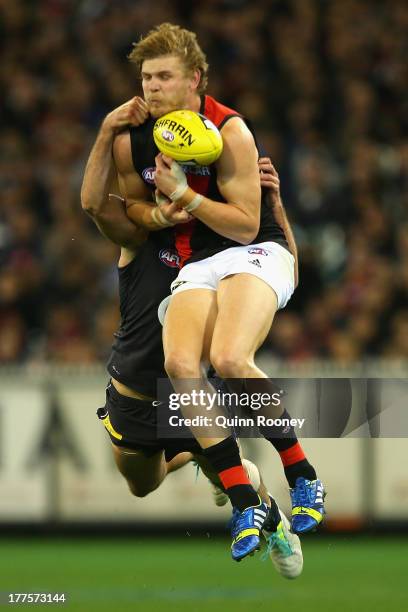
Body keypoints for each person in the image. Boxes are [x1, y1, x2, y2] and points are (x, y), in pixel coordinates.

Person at [112, 22, 325, 561]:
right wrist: (157, 206)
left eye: (164, 76)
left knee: (229, 357)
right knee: (182, 365)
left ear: (195, 80)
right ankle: (244, 498)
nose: (151, 87)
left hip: (250, 251)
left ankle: (302, 474)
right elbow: (115, 210)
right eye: (145, 77)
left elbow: (247, 226)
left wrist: (182, 193)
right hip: (198, 262)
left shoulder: (229, 130)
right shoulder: (140, 135)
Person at [80, 104, 303, 576]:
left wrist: (274, 209)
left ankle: (269, 514)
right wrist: (106, 132)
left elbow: (285, 267)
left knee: (219, 441)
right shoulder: (140, 238)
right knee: (143, 484)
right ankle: (210, 462)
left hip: (192, 392)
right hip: (136, 395)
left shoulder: (226, 255)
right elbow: (93, 205)